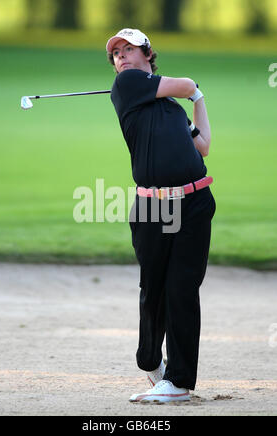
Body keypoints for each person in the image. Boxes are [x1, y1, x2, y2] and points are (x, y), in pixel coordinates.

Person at [106, 29, 216, 403]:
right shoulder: (128, 87)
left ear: (148, 54)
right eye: (116, 53)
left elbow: (202, 145)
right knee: (153, 289)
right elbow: (185, 83)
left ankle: (180, 381)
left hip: (194, 201)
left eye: (128, 49)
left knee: (182, 289)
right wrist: (194, 88)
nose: (121, 57)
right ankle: (151, 361)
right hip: (153, 206)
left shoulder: (171, 109)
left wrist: (198, 100)